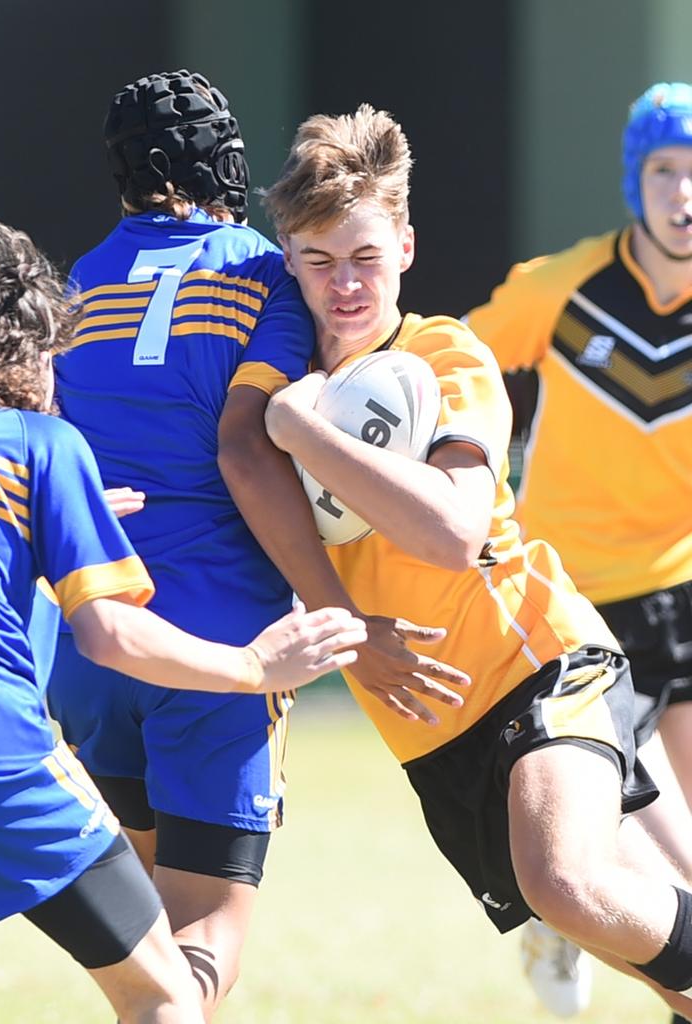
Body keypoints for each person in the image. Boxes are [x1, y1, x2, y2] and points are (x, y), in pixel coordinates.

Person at [44, 69, 465, 1020]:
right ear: (215, 161)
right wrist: (340, 620)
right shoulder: (259, 271)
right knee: (204, 941)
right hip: (221, 646)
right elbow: (247, 446)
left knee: (147, 932)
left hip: (97, 640)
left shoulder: (84, 279)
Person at [257, 102, 692, 1022]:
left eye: (366, 258)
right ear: (286, 257)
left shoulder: (438, 355)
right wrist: (345, 630)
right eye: (320, 261)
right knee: (643, 953)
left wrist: (302, 430)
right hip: (431, 732)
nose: (345, 285)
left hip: (538, 661)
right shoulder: (270, 379)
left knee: (568, 884)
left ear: (406, 249)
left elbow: (454, 532)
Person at [0, 210, 368, 1023]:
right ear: (33, 357)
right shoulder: (40, 439)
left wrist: (52, 535)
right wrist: (255, 668)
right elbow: (109, 634)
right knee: (166, 990)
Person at [465, 81, 692, 1023]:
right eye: (664, 172)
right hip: (574, 610)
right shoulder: (560, 288)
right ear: (632, 183)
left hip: (682, 587)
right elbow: (456, 372)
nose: (683, 194)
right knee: (627, 860)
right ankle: (563, 917)